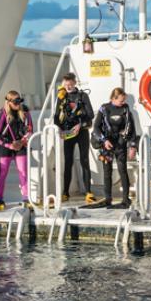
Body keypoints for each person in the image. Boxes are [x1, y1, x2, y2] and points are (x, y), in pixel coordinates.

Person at [92, 87, 139, 208]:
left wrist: (132, 146)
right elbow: (96, 127)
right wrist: (104, 140)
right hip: (107, 143)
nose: (123, 103)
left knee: (122, 170)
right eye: (121, 100)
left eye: (124, 100)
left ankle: (125, 199)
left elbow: (131, 127)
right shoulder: (104, 108)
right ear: (113, 98)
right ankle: (108, 198)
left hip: (120, 142)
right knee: (107, 172)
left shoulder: (125, 109)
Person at [53, 72, 95, 203]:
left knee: (84, 161)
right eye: (66, 84)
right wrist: (58, 128)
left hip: (81, 131)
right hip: (68, 133)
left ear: (75, 83)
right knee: (68, 162)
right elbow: (56, 115)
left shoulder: (83, 96)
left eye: (70, 84)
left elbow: (91, 114)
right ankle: (65, 192)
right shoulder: (62, 96)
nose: (68, 86)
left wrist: (80, 125)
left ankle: (88, 192)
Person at [0, 91, 34, 210]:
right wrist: (10, 145)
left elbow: (30, 129)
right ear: (8, 102)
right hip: (6, 147)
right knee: (2, 173)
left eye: (19, 100)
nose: (18, 104)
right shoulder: (2, 114)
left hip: (20, 145)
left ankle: (26, 198)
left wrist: (23, 141)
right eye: (15, 102)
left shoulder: (25, 111)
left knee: (23, 172)